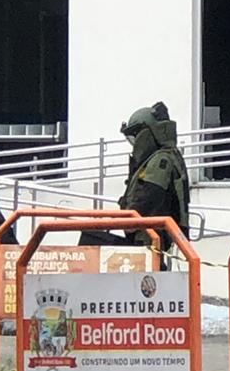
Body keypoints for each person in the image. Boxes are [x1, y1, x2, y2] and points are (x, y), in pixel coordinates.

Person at [80, 102, 190, 257]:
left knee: (92, 248)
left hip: (147, 241)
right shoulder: (162, 158)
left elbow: (146, 201)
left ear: (146, 134)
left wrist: (127, 219)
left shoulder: (160, 161)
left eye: (135, 137)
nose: (134, 144)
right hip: (146, 238)